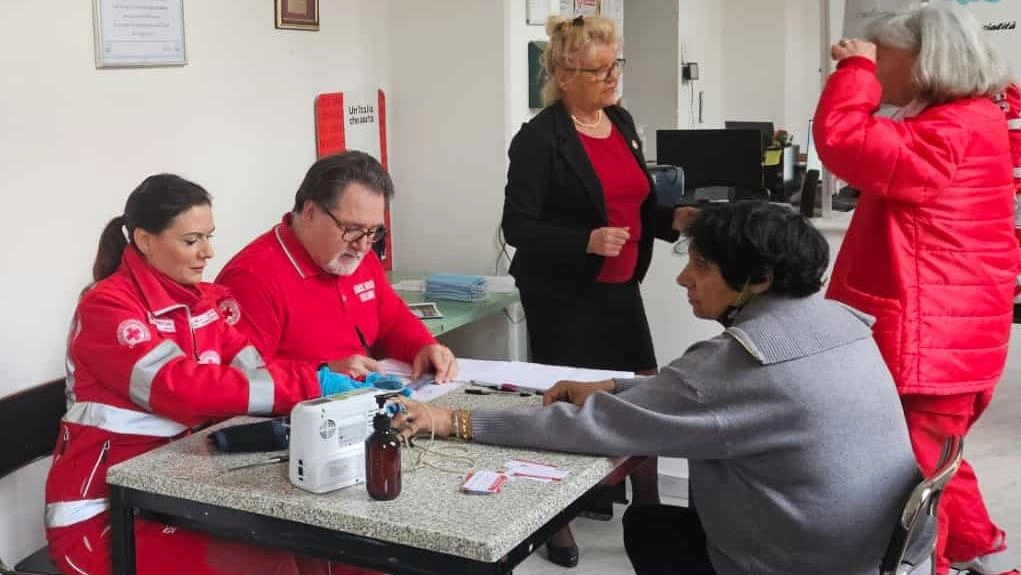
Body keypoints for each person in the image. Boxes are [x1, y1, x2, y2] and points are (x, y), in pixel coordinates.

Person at [394, 202, 920, 575]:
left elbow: (593, 426)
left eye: (702, 265)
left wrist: (452, 420)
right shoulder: (842, 324)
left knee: (649, 529)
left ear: (756, 279)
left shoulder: (738, 363)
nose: (683, 279)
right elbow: (697, 399)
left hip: (794, 562)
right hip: (869, 554)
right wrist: (613, 385)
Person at [44, 174, 376, 575]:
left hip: (178, 485)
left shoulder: (205, 303)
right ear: (146, 241)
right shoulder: (107, 309)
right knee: (272, 568)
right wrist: (312, 384)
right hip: (106, 508)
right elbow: (180, 389)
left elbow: (252, 370)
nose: (208, 252)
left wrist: (322, 378)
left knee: (319, 551)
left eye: (209, 236)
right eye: (192, 241)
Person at [813, 5, 1020, 574]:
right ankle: (982, 552)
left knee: (913, 475)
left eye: (885, 57)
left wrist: (852, 74)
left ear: (926, 62)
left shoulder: (948, 131)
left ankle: (927, 564)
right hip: (946, 328)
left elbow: (845, 143)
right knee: (937, 452)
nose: (877, 66)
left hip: (932, 338)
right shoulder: (966, 119)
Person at [500, 14, 695, 565]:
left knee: (643, 393)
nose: (613, 78)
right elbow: (518, 226)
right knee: (570, 405)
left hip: (618, 289)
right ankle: (556, 522)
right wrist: (584, 240)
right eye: (599, 69)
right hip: (563, 295)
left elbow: (635, 205)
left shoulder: (622, 120)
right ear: (563, 75)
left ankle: (648, 506)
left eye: (616, 65)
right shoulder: (539, 140)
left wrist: (673, 217)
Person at [216, 151, 457, 384]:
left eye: (373, 232)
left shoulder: (357, 256)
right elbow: (241, 377)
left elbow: (391, 320)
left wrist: (423, 346)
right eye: (351, 229)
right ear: (310, 212)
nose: (362, 246)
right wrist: (323, 372)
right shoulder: (251, 278)